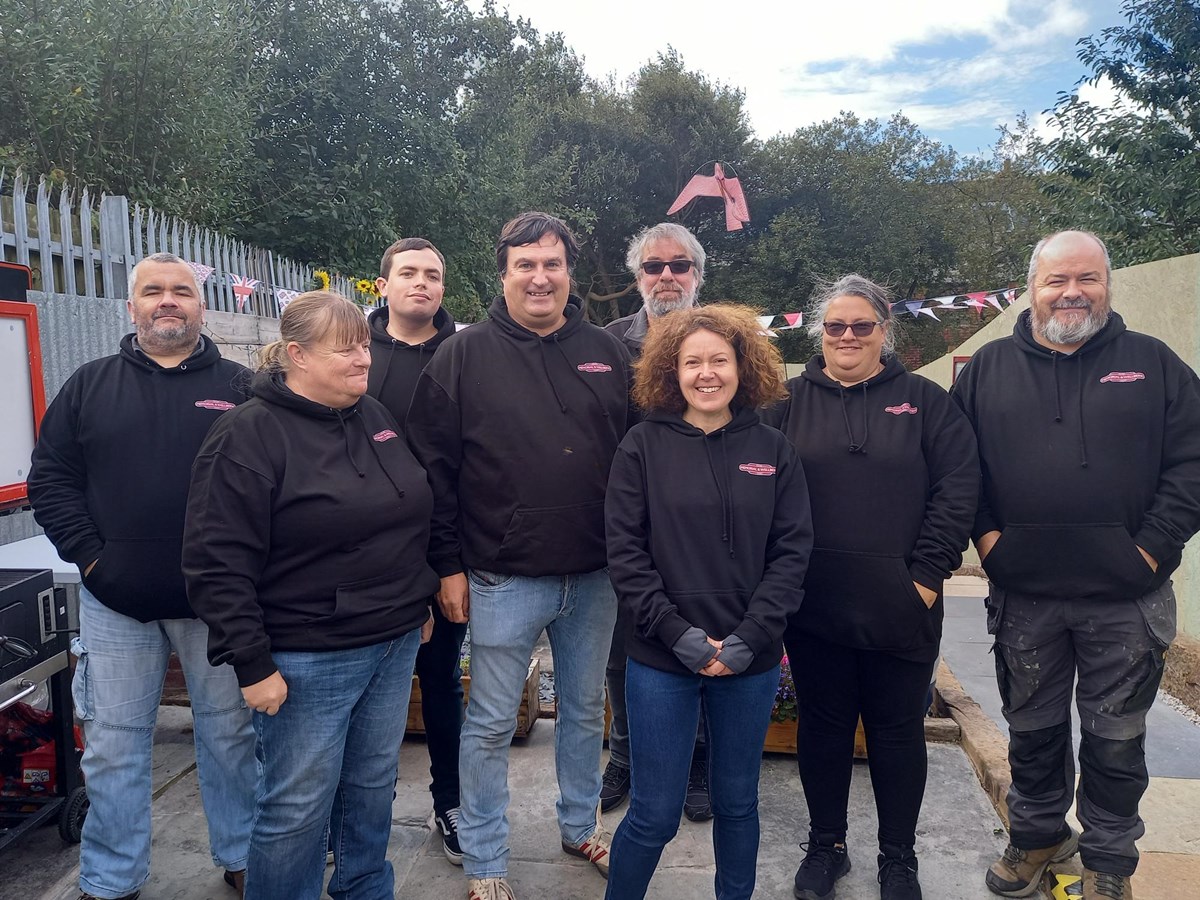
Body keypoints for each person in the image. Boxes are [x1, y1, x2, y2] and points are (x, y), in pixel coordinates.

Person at [951, 231, 1200, 900]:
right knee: (1031, 732)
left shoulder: (1154, 364)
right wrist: (990, 541)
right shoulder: (987, 370)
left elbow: (1192, 465)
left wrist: (1150, 546)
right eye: (1056, 280)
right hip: (1026, 595)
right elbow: (958, 471)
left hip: (1128, 597)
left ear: (1107, 285)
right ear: (1030, 289)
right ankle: (1036, 839)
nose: (1071, 292)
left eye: (1087, 278)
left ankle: (1110, 863)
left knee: (1116, 742)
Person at [406, 211, 635, 900]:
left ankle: (578, 825)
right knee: (490, 721)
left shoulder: (608, 352)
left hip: (596, 575)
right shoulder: (462, 355)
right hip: (501, 576)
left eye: (553, 264)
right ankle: (484, 858)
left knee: (587, 709)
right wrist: (445, 565)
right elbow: (432, 472)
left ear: (569, 273)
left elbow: (638, 459)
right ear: (503, 274)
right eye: (526, 265)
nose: (541, 276)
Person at [182, 292, 439, 900]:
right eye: (344, 347)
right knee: (297, 805)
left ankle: (364, 888)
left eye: (364, 344)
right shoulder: (248, 436)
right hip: (308, 655)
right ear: (296, 355)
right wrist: (251, 661)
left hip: (391, 639)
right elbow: (215, 561)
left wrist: (414, 600)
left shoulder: (373, 414)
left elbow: (405, 512)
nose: (362, 358)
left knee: (373, 785)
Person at [27, 252, 257, 900]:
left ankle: (242, 856)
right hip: (115, 602)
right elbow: (51, 480)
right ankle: (111, 877)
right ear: (130, 307)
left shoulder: (242, 389)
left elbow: (275, 482)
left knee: (231, 734)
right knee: (112, 743)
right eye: (152, 291)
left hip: (218, 602)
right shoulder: (88, 386)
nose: (167, 301)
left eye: (180, 291)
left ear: (201, 306)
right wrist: (93, 559)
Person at [764, 275, 978, 900]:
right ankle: (826, 845)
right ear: (820, 334)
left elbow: (958, 487)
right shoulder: (786, 400)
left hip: (902, 603)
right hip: (814, 603)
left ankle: (898, 859)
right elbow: (757, 485)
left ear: (886, 331)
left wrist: (926, 579)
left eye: (862, 326)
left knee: (896, 733)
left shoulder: (926, 401)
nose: (848, 336)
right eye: (835, 327)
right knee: (824, 728)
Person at [604, 303, 813, 899]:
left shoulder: (773, 450)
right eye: (691, 361)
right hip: (662, 659)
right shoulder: (640, 448)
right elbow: (626, 555)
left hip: (750, 660)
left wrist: (750, 638)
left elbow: (792, 553)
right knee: (654, 813)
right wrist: (679, 635)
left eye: (719, 360)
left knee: (738, 804)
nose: (706, 373)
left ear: (743, 368)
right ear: (671, 372)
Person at [602, 221, 714, 820]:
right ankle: (623, 753)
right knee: (624, 652)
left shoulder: (727, 338)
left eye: (678, 265)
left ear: (697, 274)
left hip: (708, 534)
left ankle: (699, 756)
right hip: (634, 533)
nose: (666, 276)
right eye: (653, 267)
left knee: (704, 644)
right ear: (637, 277)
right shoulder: (609, 344)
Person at [367, 236, 467, 864]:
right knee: (363, 687)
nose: (421, 284)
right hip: (360, 549)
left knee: (441, 681)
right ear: (383, 285)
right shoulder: (352, 348)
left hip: (440, 543)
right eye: (408, 273)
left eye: (433, 275)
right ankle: (355, 814)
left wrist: (452, 559)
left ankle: (449, 801)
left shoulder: (463, 353)